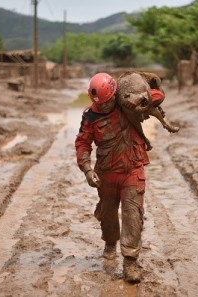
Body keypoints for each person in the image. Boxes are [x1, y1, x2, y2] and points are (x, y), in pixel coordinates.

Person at [75, 72, 151, 283]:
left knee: (132, 215)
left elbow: (154, 96)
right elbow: (82, 143)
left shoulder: (127, 104)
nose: (105, 107)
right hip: (106, 174)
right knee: (107, 214)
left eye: (108, 102)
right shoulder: (90, 116)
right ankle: (110, 242)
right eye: (101, 104)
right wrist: (88, 170)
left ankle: (130, 261)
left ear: (114, 94)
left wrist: (142, 91)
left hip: (132, 170)